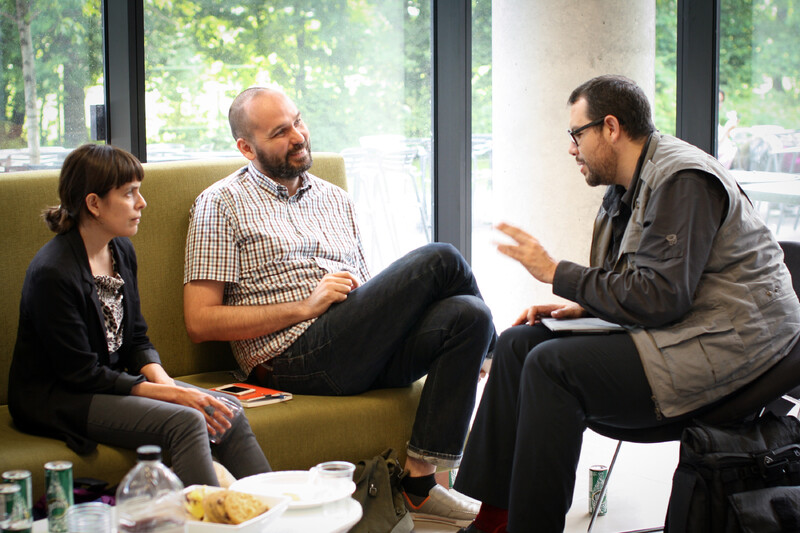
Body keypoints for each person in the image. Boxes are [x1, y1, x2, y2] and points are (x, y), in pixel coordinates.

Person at [452, 75, 800, 533]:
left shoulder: (683, 180)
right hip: (690, 326)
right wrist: (586, 308)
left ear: (611, 127)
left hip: (736, 347)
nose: (571, 148)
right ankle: (494, 521)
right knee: (519, 344)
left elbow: (661, 297)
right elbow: (644, 282)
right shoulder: (628, 186)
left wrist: (556, 272)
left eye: (576, 134)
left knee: (552, 367)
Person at [183, 86, 496, 525]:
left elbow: (363, 290)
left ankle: (420, 486)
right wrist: (305, 307)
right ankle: (497, 358)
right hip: (291, 357)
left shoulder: (335, 198)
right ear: (246, 148)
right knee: (441, 257)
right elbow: (200, 322)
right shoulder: (220, 203)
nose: (298, 136)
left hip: (354, 348)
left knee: (469, 315)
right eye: (279, 132)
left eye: (298, 121)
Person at [8, 144, 271, 487]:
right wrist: (177, 396)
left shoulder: (120, 249)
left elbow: (135, 340)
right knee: (187, 420)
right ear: (94, 203)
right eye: (129, 193)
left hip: (109, 382)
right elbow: (82, 375)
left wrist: (167, 384)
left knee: (226, 410)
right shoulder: (54, 273)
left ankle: (272, 506)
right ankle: (205, 513)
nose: (142, 202)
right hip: (64, 397)